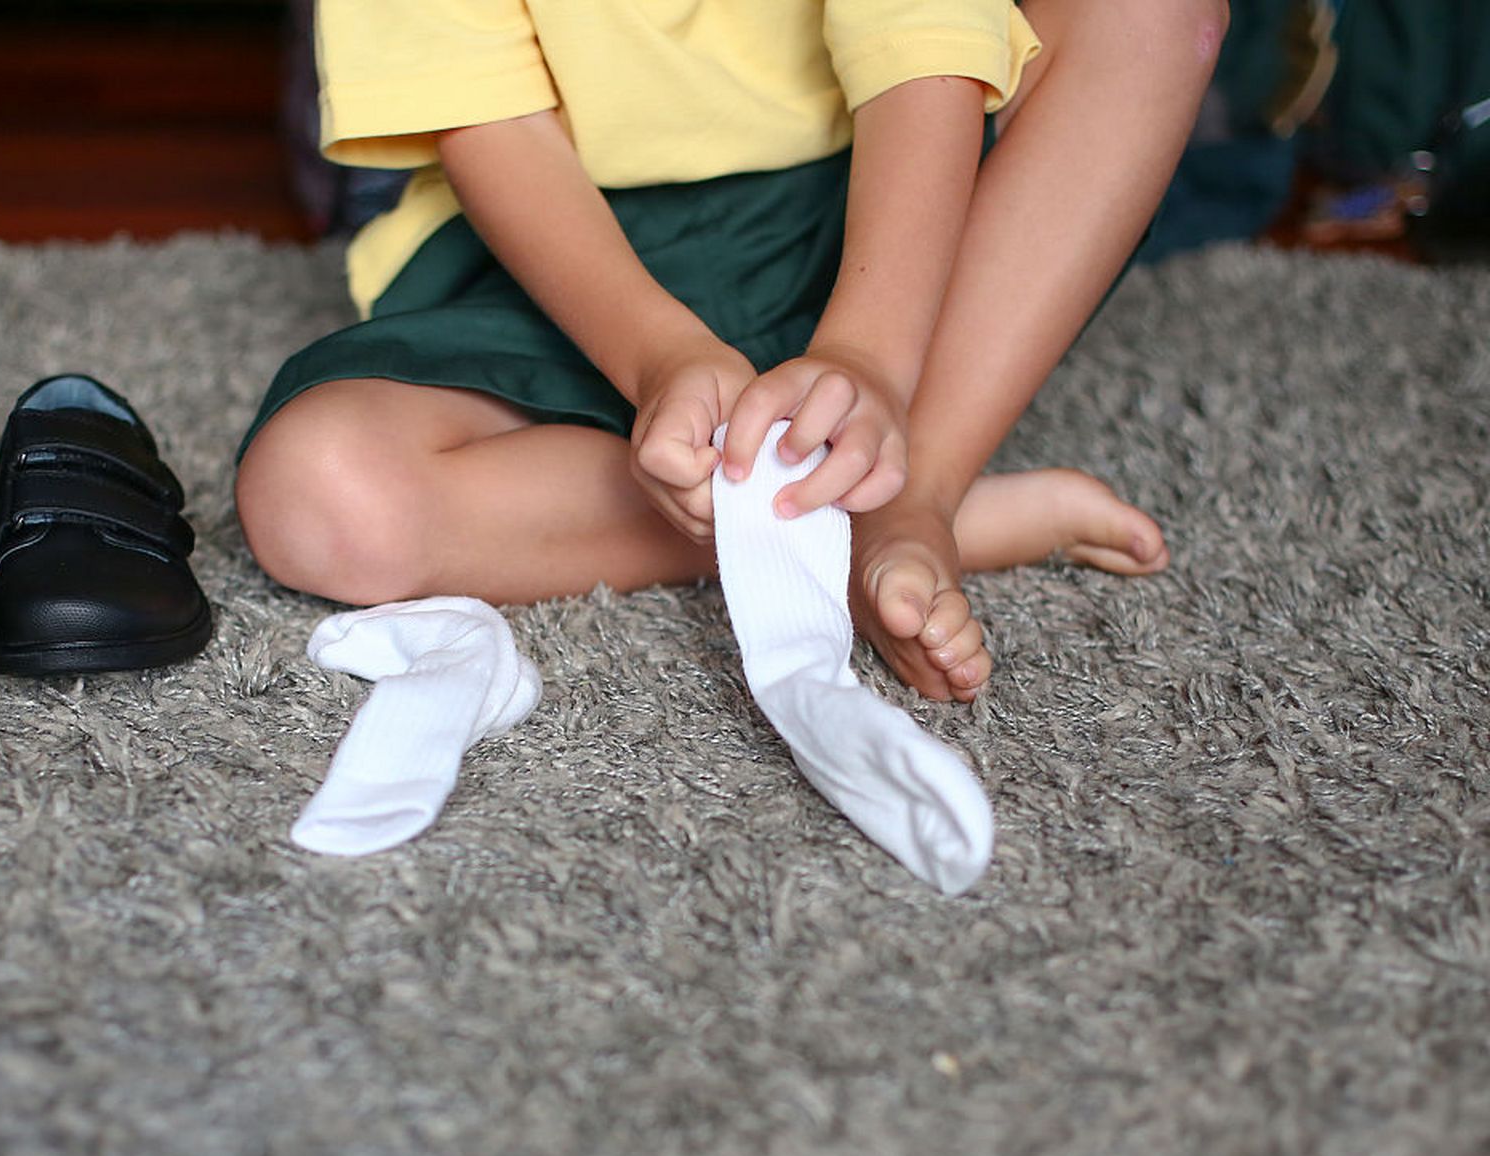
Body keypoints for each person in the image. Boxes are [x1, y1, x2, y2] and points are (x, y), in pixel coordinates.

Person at [237, 0, 1225, 702]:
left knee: (1148, 10)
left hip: (874, 207)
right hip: (567, 247)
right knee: (316, 498)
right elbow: (490, 121)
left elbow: (921, 47)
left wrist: (870, 354)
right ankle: (848, 529)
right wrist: (656, 351)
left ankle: (914, 490)